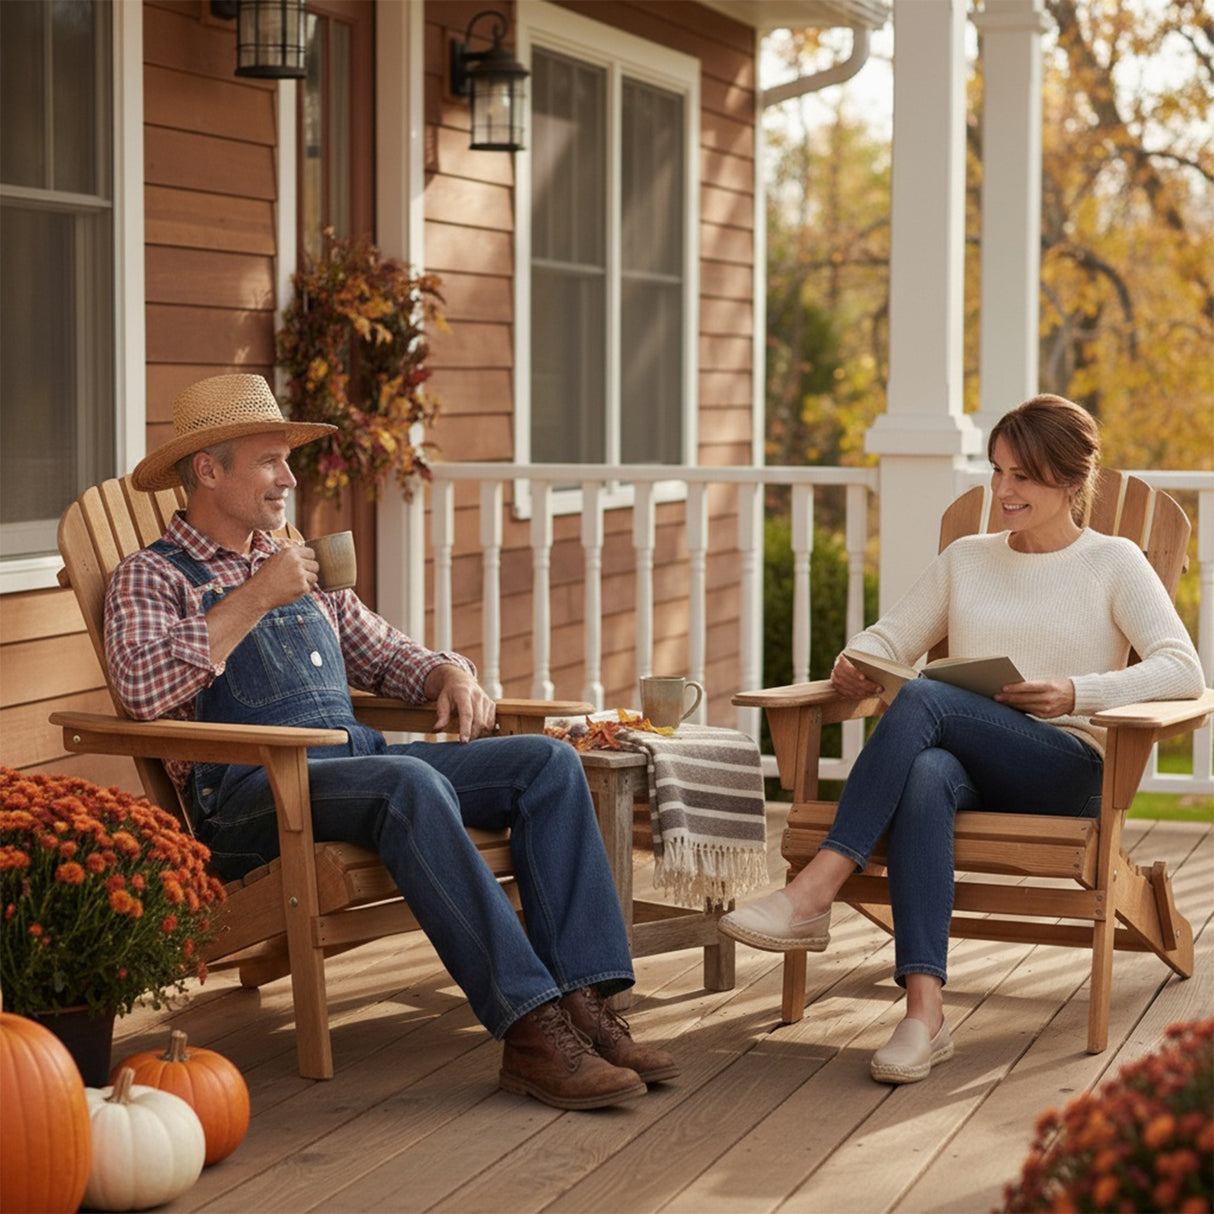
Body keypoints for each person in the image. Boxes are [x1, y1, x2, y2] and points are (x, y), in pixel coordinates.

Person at [105, 373, 678, 1110]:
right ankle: (532, 1032)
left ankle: (584, 1006)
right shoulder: (150, 578)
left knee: (547, 762)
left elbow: (383, 652)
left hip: (355, 770)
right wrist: (256, 595)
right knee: (409, 784)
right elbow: (143, 693)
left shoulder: (298, 564)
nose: (288, 479)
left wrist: (447, 673)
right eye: (269, 462)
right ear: (208, 471)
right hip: (255, 802)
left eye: (289, 460)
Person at [719, 394, 1205, 1085]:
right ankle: (925, 1014)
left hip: (1066, 768)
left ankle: (815, 888)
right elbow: (890, 638)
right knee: (926, 775)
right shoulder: (967, 559)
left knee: (922, 696)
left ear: (1071, 482)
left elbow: (1183, 669)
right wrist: (855, 659)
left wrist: (1076, 692)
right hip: (974, 764)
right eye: (997, 471)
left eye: (1023, 477)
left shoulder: (1114, 562)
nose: (1001, 491)